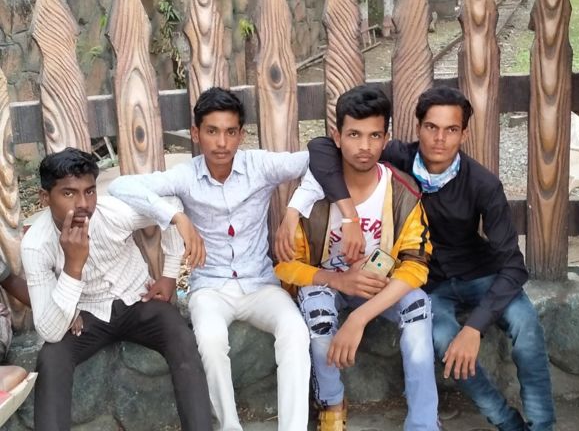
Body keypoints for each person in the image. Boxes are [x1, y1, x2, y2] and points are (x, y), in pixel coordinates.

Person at [280, 86, 555, 431]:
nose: (439, 139)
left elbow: (513, 265)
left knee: (526, 327)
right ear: (418, 128)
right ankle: (505, 421)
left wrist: (474, 327)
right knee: (441, 338)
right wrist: (305, 212)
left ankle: (541, 426)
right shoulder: (393, 157)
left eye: (451, 129)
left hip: (480, 276)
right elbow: (321, 147)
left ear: (464, 134)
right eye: (431, 127)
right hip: (431, 282)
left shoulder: (481, 184)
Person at [108, 87, 311, 431]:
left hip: (261, 283)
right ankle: (230, 426)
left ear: (241, 135)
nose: (221, 143)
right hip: (210, 288)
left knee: (295, 330)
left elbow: (318, 158)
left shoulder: (259, 165)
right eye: (212, 131)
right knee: (211, 341)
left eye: (230, 132)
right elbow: (121, 187)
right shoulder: (187, 175)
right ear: (195, 133)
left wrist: (293, 211)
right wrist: (177, 217)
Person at [275, 84, 439, 431]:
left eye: (374, 135)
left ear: (386, 139)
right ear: (337, 137)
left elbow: (416, 264)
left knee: (417, 306)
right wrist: (338, 280)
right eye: (354, 134)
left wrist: (359, 318)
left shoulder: (402, 192)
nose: (364, 146)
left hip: (379, 284)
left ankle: (423, 422)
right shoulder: (313, 195)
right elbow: (286, 265)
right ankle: (332, 404)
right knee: (318, 313)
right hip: (329, 284)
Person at [21, 147, 213, 431]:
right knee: (52, 358)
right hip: (85, 317)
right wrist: (73, 268)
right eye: (69, 193)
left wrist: (170, 275)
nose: (83, 204)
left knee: (181, 338)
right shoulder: (36, 245)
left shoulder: (114, 213)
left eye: (89, 191)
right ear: (44, 197)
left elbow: (170, 207)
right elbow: (49, 330)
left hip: (138, 301)